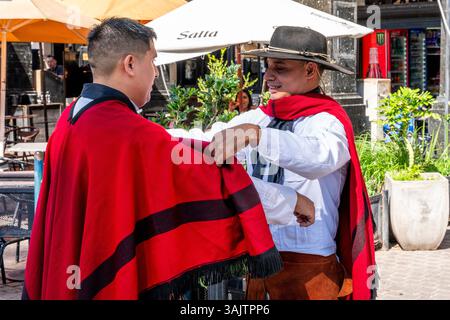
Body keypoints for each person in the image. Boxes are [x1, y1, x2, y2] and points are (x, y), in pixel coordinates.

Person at [22, 18, 316, 300]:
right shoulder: (125, 131)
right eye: (153, 61)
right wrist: (292, 201)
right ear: (130, 64)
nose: (154, 71)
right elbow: (209, 177)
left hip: (68, 269)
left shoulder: (72, 118)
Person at [174, 26, 377, 300]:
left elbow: (316, 158)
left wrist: (257, 136)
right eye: (267, 67)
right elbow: (206, 141)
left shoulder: (327, 121)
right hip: (261, 258)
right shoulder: (258, 118)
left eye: (280, 69)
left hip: (309, 264)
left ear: (310, 71)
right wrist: (149, 135)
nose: (268, 77)